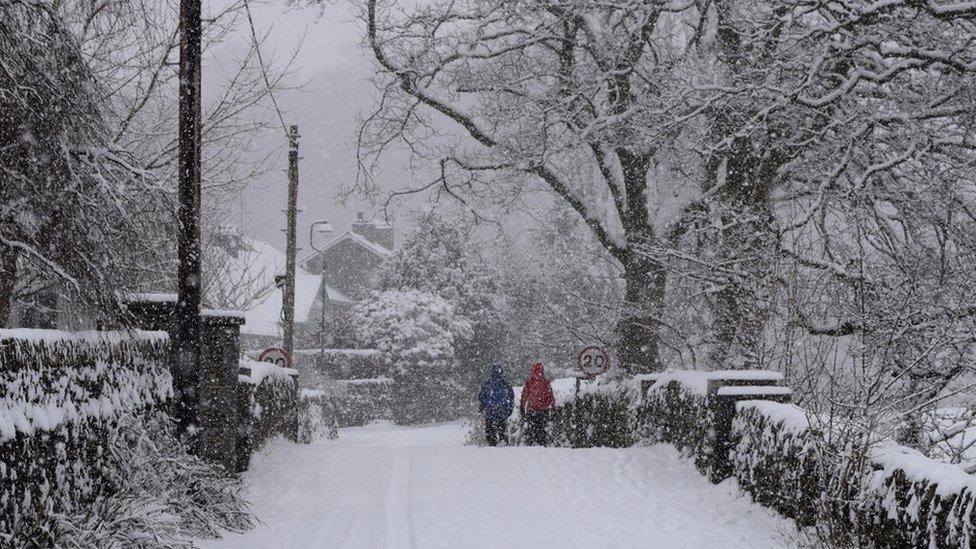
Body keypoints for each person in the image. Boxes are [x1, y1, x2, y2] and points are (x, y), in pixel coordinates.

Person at [479, 363, 515, 446]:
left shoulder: (487, 382)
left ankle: (492, 443)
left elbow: (481, 396)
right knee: (502, 428)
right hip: (502, 410)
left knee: (490, 429)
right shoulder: (505, 383)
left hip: (490, 410)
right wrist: (510, 408)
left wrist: (482, 406)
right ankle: (503, 442)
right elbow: (511, 396)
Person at [520, 362, 555, 446]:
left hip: (532, 410)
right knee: (542, 428)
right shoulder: (546, 382)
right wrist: (553, 409)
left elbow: (525, 395)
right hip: (544, 410)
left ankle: (533, 444)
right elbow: (551, 397)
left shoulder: (530, 382)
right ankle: (541, 444)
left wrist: (522, 407)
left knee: (532, 428)